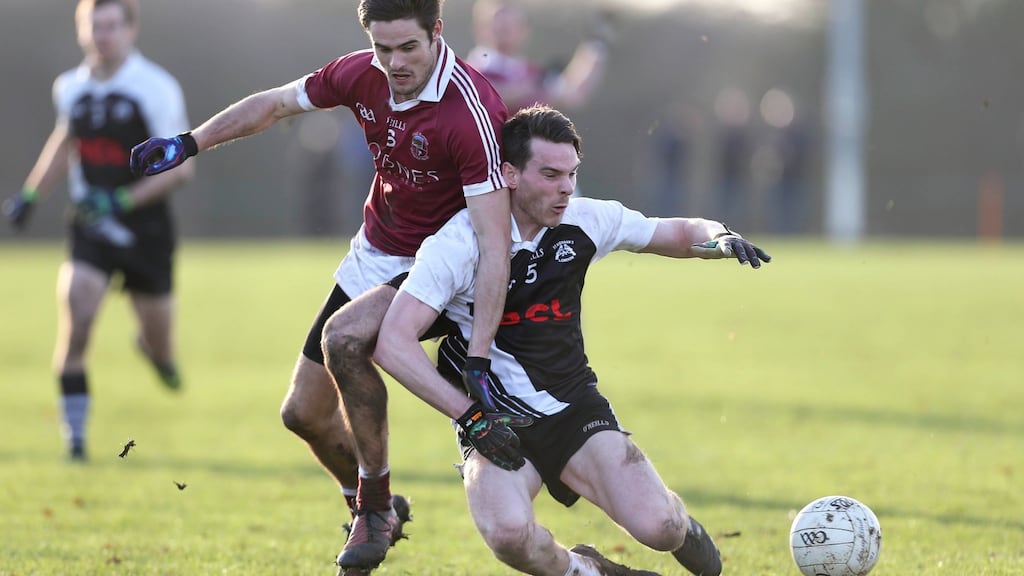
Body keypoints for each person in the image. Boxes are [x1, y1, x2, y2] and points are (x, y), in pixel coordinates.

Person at [128, 1, 511, 572]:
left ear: (437, 32)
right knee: (302, 413)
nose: (395, 63)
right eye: (383, 49)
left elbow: (495, 240)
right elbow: (275, 105)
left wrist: (478, 353)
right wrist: (190, 143)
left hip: (441, 267)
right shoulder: (361, 74)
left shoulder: (471, 111)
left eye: (408, 48)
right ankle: (372, 501)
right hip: (374, 254)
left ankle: (375, 507)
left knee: (344, 339)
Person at [374, 105, 771, 576]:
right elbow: (392, 343)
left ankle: (684, 527)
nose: (565, 187)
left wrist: (719, 238)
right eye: (550, 174)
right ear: (510, 174)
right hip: (492, 420)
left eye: (571, 174)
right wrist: (470, 417)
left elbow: (679, 232)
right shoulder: (457, 244)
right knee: (508, 535)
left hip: (573, 409)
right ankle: (589, 571)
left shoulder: (584, 220)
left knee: (660, 526)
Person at [2, 0, 193, 462]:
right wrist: (31, 195)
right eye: (95, 26)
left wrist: (123, 198)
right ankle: (76, 438)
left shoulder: (155, 87)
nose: (103, 35)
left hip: (146, 228)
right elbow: (65, 140)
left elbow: (181, 171)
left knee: (160, 343)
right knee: (78, 317)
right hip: (91, 223)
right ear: (81, 31)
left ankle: (154, 352)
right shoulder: (69, 87)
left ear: (130, 31)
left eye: (112, 26)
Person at [467, 0, 611, 113]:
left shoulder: (528, 72)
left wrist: (594, 49)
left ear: (524, 31)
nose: (505, 30)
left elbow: (571, 94)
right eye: (500, 25)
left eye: (512, 25)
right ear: (480, 28)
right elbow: (488, 96)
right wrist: (529, 87)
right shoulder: (474, 69)